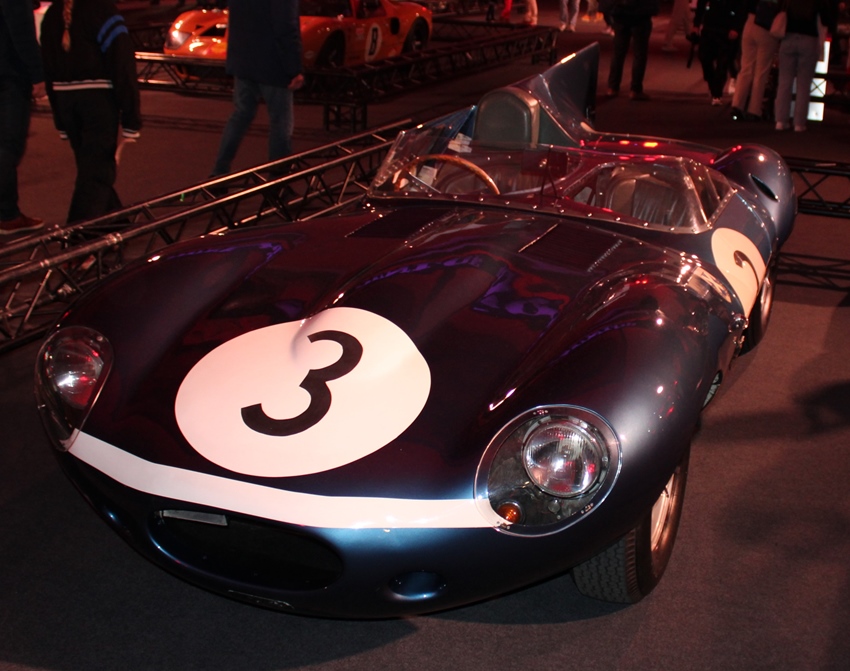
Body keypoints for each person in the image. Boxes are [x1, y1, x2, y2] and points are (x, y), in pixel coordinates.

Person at [40, 0, 141, 224]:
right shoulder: (103, 11)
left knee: (89, 168)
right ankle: (78, 236)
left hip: (66, 102)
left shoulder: (53, 14)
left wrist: (60, 120)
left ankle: (114, 223)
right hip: (98, 101)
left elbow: (48, 68)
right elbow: (122, 65)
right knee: (98, 173)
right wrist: (131, 119)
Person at [211, 0, 304, 177]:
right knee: (280, 122)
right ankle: (277, 179)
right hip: (273, 63)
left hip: (244, 60)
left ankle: (219, 172)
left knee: (240, 116)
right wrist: (294, 68)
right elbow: (286, 26)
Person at [0, 0, 46, 236]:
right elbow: (20, 29)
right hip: (8, 74)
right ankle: (7, 215)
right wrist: (37, 73)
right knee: (9, 145)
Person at [774, 0, 837, 131]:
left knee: (784, 82)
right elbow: (826, 19)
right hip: (809, 38)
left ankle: (780, 120)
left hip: (788, 37)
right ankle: (799, 123)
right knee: (804, 83)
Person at [731, 0, 782, 120]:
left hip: (750, 22)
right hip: (767, 26)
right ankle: (754, 110)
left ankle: (737, 104)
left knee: (746, 68)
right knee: (761, 72)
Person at [600, 0, 660, 100]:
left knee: (618, 52)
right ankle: (635, 89)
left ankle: (613, 87)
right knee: (640, 53)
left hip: (620, 11)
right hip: (641, 13)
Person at [693, 0, 748, 105]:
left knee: (722, 63)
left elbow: (741, 8)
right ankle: (712, 84)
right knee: (705, 58)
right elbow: (701, 4)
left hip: (726, 29)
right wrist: (696, 24)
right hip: (709, 27)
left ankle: (717, 93)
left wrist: (736, 28)